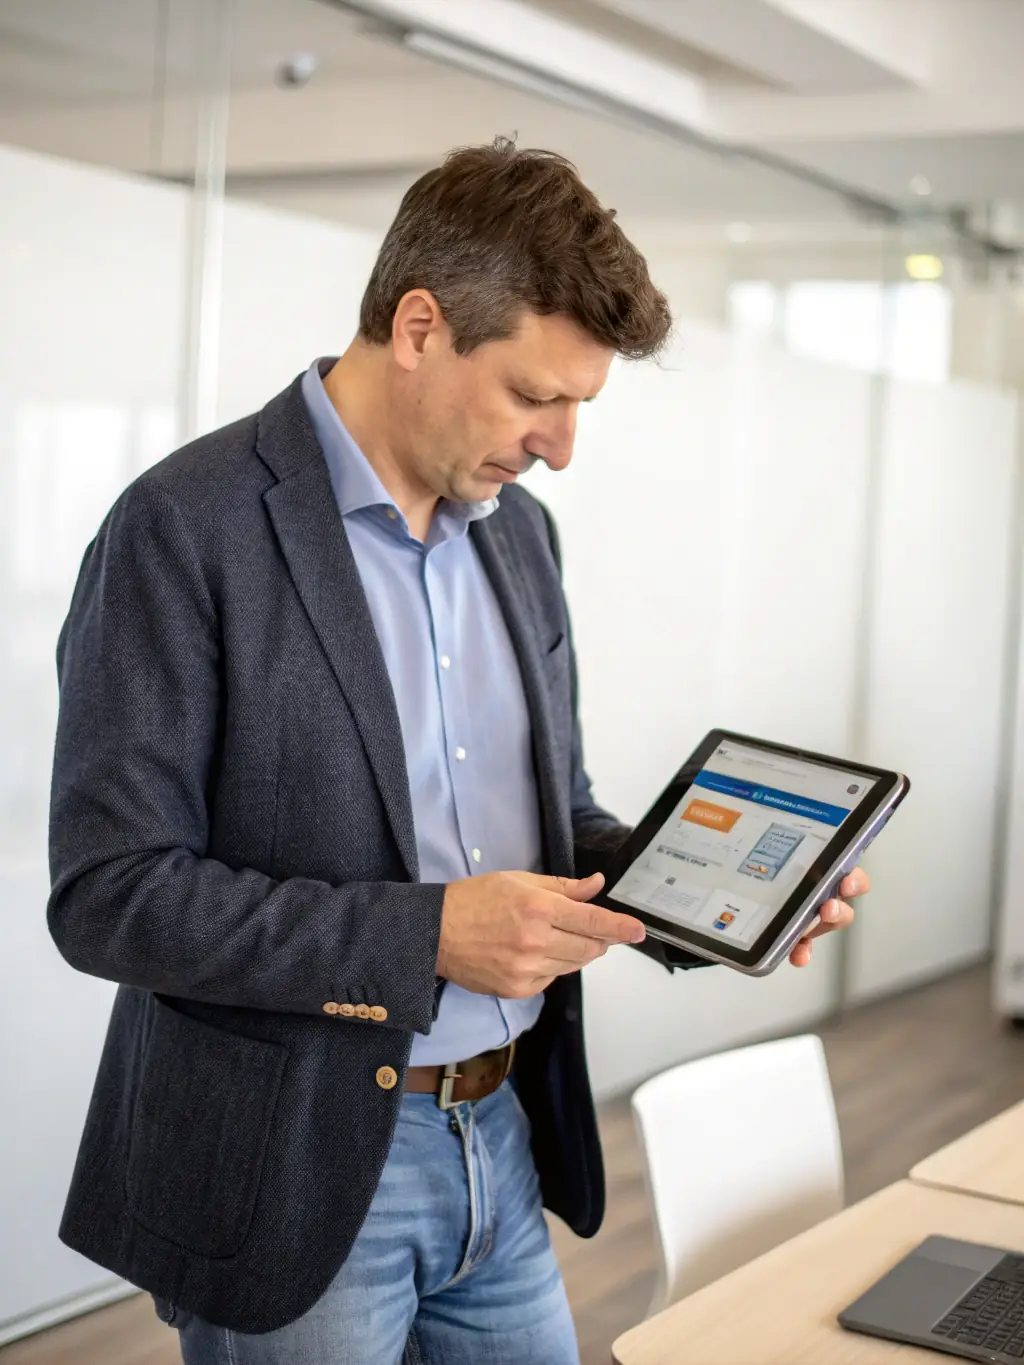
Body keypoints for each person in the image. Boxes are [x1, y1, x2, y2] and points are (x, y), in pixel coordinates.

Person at [48, 138, 867, 1365]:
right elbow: (111, 897)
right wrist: (427, 935)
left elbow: (555, 819)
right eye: (535, 396)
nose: (560, 446)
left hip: (500, 1139)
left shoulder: (519, 538)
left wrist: (718, 898)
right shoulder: (184, 527)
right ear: (420, 327)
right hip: (293, 1173)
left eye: (580, 406)